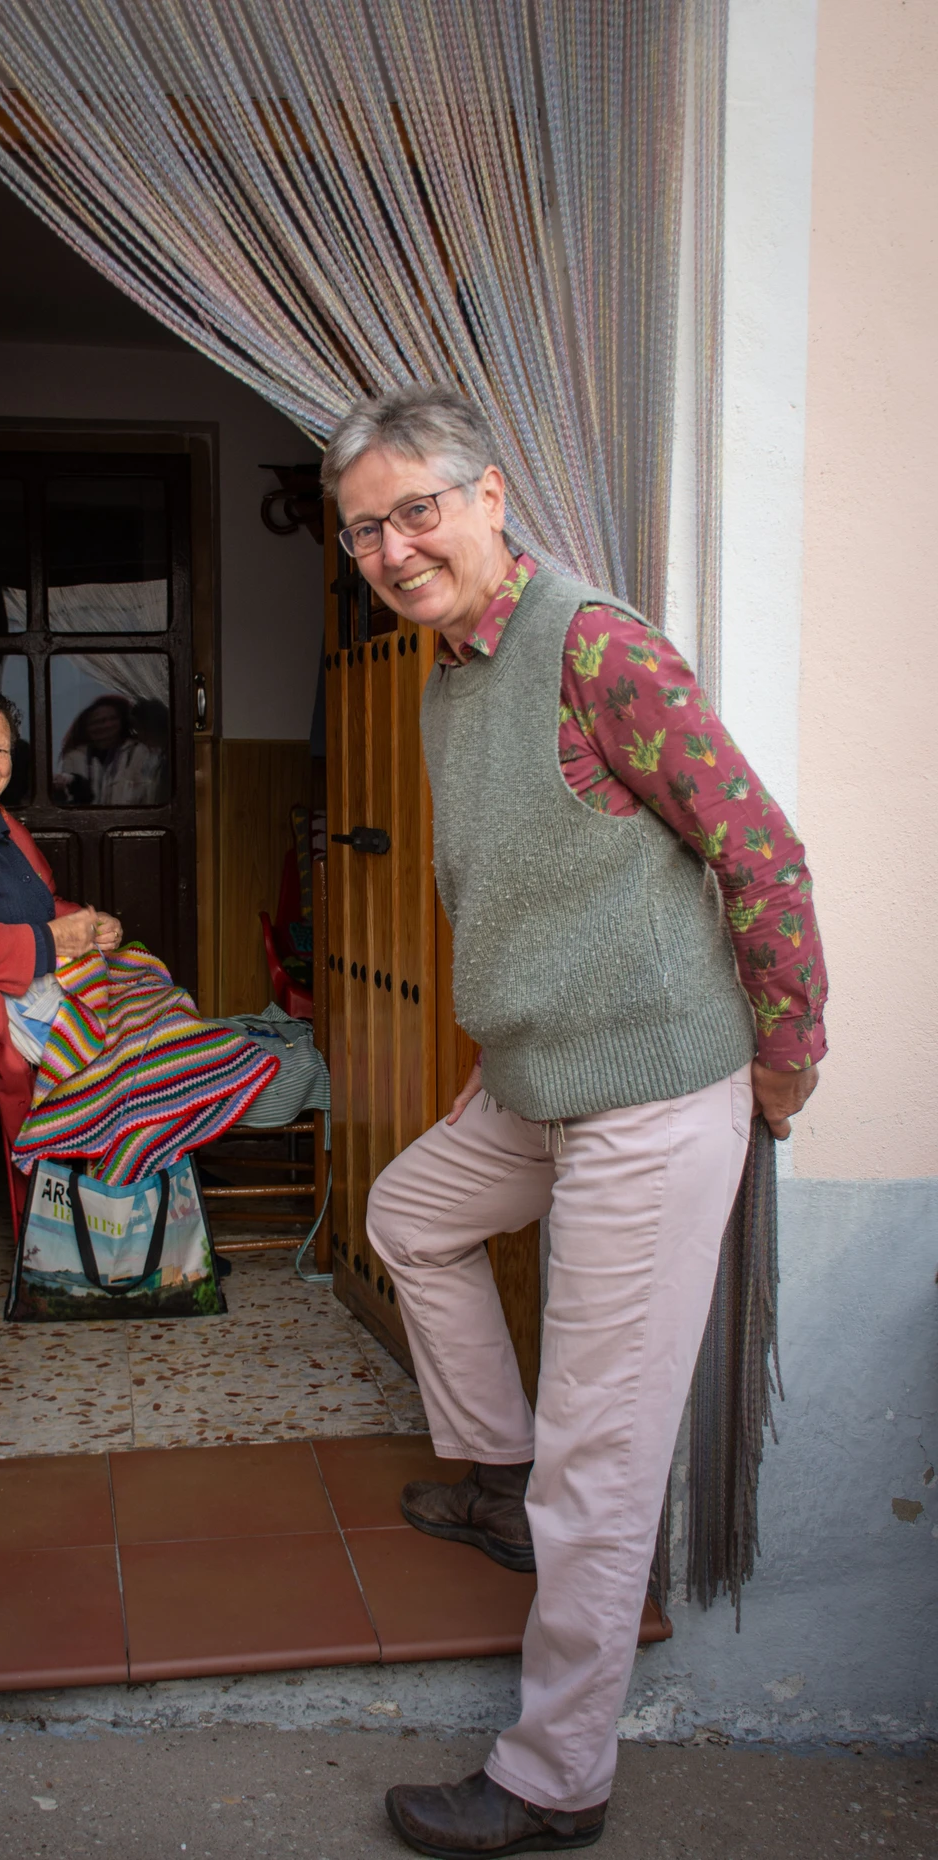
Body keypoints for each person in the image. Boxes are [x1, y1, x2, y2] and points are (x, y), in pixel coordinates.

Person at [320, 386, 827, 1857]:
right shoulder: (446, 678)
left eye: (417, 511)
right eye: (364, 530)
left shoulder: (597, 646)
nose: (394, 549)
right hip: (538, 1079)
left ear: (489, 498)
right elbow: (511, 892)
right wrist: (497, 1055)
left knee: (600, 1462)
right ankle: (500, 1476)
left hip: (657, 1091)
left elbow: (762, 853)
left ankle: (554, 1779)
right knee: (411, 1214)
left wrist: (784, 1059)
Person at [0, 691, 122, 1216]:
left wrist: (89, 923)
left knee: (151, 999)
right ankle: (94, 1216)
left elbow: (41, 904)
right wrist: (53, 942)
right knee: (128, 1055)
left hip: (32, 983)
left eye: (2, 750)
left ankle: (148, 1195)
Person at [53, 694, 133, 805]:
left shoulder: (137, 752)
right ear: (86, 727)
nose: (106, 725)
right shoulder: (74, 758)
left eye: (113, 719)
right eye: (97, 721)